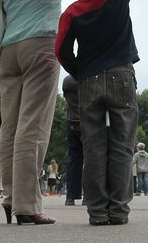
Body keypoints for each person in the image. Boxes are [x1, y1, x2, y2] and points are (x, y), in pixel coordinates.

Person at [57, 0, 148, 226]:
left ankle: (97, 212)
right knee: (121, 146)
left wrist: (80, 71)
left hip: (88, 80)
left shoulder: (73, 12)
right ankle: (119, 210)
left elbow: (60, 49)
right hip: (121, 77)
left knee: (93, 148)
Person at [0, 0, 84, 226]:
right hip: (40, 47)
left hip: (9, 53)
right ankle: (27, 206)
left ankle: (9, 197)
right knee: (32, 128)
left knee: (10, 127)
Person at [62, 75, 83, 206]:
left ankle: (71, 196)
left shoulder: (67, 81)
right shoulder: (86, 79)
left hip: (72, 121)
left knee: (74, 159)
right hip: (88, 120)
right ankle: (90, 194)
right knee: (92, 159)